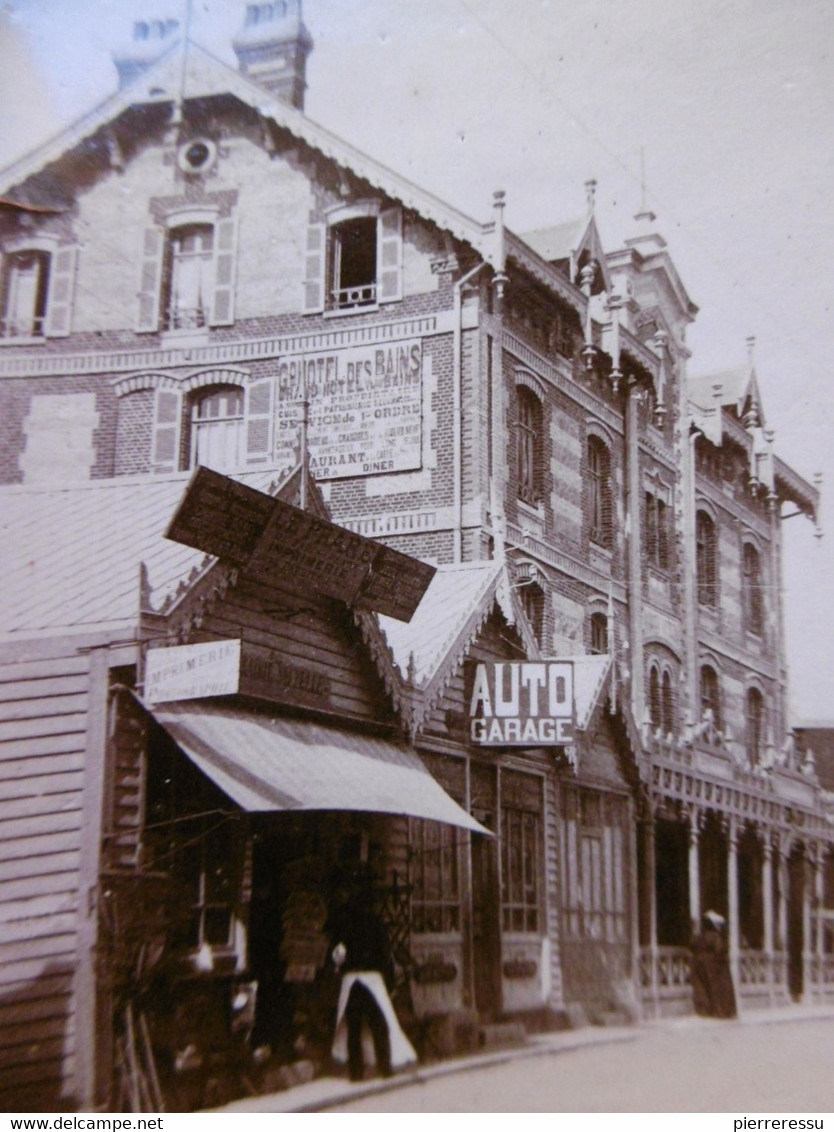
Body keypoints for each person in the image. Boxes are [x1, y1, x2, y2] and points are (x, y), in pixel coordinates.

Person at [328, 877, 416, 1082]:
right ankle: (385, 1067)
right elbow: (385, 955)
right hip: (373, 979)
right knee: (380, 1024)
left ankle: (356, 1072)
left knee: (354, 1027)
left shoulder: (345, 923)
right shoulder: (376, 923)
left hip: (351, 980)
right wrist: (390, 982)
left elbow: (338, 953)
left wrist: (338, 968)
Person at [690, 910, 737, 1019]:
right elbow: (719, 950)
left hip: (700, 963)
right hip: (714, 965)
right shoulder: (715, 936)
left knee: (704, 988)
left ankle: (707, 1011)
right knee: (720, 988)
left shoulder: (699, 936)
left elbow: (693, 946)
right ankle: (722, 1011)